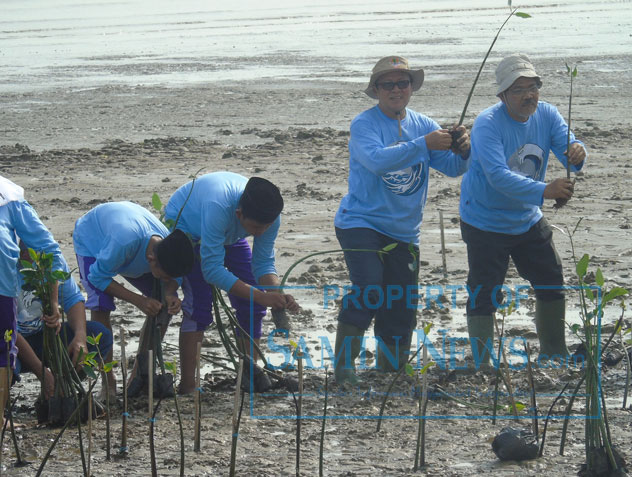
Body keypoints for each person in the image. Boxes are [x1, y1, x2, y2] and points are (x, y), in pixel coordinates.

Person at [333, 56, 471, 384]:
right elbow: (378, 161)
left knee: (400, 302)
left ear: (411, 88)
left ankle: (390, 369)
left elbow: (452, 168)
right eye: (388, 84)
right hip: (360, 222)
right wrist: (423, 144)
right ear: (376, 90)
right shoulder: (364, 124)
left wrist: (464, 149)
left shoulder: (423, 124)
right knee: (369, 290)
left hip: (405, 230)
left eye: (403, 83)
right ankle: (343, 368)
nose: (396, 90)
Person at [459, 53, 587, 366]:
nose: (528, 95)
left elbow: (571, 153)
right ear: (502, 95)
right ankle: (482, 363)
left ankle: (554, 353)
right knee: (484, 291)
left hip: (527, 217)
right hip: (484, 220)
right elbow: (498, 177)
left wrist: (578, 153)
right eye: (518, 90)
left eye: (533, 87)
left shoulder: (547, 114)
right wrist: (545, 190)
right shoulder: (487, 124)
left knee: (551, 279)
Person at [164, 172, 299, 394]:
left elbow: (263, 263)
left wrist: (277, 293)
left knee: (253, 304)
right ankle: (189, 385)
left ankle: (248, 374)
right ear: (239, 214)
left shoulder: (268, 218)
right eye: (255, 229)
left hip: (228, 235)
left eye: (266, 227)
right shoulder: (219, 207)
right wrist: (262, 294)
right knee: (199, 306)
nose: (261, 233)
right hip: (188, 231)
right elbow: (212, 270)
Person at [73, 201, 195, 392]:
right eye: (164, 276)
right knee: (101, 304)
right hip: (92, 240)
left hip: (126, 240)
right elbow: (96, 277)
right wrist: (139, 300)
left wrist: (170, 293)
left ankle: (139, 373)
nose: (166, 279)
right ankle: (108, 382)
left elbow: (174, 278)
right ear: (151, 260)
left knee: (162, 306)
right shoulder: (123, 243)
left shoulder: (167, 244)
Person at [0, 175, 65, 428]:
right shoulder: (10, 195)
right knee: (3, 349)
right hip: (1, 276)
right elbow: (48, 249)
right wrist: (53, 302)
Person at [14, 240, 113, 399]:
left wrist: (80, 337)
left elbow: (73, 299)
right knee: (6, 365)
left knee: (99, 335)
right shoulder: (7, 269)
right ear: (22, 255)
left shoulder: (53, 263)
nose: (41, 264)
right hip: (13, 343)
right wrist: (41, 372)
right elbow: (8, 328)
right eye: (33, 258)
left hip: (46, 336)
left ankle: (63, 389)